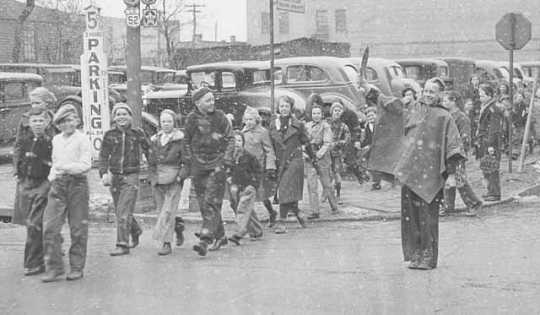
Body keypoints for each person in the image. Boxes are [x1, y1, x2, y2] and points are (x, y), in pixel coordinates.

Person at [364, 79, 465, 270]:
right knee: (410, 216)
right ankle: (415, 253)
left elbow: (454, 146)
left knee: (428, 218)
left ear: (439, 94)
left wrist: (452, 175)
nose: (427, 94)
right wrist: (372, 92)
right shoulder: (412, 109)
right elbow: (392, 106)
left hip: (431, 176)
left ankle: (428, 256)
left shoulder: (445, 117)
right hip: (410, 173)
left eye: (432, 92)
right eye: (425, 90)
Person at [41, 104, 92, 282]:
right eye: (63, 121)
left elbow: (86, 165)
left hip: (77, 185)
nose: (67, 124)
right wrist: (52, 177)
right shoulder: (56, 140)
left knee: (78, 228)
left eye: (71, 120)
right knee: (50, 227)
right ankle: (54, 267)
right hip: (58, 185)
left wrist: (65, 168)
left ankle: (77, 267)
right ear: (58, 124)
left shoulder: (82, 139)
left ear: (77, 121)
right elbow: (55, 163)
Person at [183, 87, 235, 256]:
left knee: (211, 201)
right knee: (203, 203)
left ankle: (205, 239)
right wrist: (190, 161)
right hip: (198, 166)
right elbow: (186, 142)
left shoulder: (220, 117)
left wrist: (226, 159)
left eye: (213, 99)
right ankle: (220, 235)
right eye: (208, 100)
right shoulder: (191, 119)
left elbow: (230, 138)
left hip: (217, 164)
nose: (212, 103)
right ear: (197, 103)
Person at [99, 103, 152, 256]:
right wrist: (103, 173)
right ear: (114, 118)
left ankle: (122, 244)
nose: (121, 117)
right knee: (120, 211)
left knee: (123, 211)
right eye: (118, 114)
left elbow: (149, 151)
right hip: (115, 177)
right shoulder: (109, 135)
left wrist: (152, 169)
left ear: (130, 117)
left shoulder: (137, 134)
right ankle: (135, 230)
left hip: (131, 176)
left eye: (124, 114)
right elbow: (103, 156)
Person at [12, 108, 53, 276]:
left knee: (35, 224)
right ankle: (39, 260)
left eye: (41, 121)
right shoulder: (24, 140)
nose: (37, 124)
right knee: (31, 224)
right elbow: (17, 157)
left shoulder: (50, 142)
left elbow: (53, 163)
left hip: (42, 184)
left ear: (47, 123)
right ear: (29, 123)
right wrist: (18, 174)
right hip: (25, 185)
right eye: (34, 121)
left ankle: (32, 263)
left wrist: (47, 183)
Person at [269, 95, 312, 234]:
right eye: (281, 106)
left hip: (294, 159)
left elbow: (306, 142)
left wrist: (313, 157)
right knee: (288, 190)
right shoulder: (272, 124)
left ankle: (281, 222)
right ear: (278, 108)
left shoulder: (298, 124)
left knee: (284, 189)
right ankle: (298, 213)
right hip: (280, 161)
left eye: (286, 106)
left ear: (291, 108)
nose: (284, 109)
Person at [149, 110, 189, 256]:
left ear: (174, 123)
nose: (166, 124)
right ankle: (178, 226)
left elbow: (186, 161)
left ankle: (166, 243)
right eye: (163, 121)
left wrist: (180, 177)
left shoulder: (180, 140)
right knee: (162, 211)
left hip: (173, 178)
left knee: (168, 211)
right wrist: (152, 178)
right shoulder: (155, 140)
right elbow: (151, 161)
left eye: (169, 121)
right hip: (158, 179)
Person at [441, 91, 482, 216]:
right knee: (447, 178)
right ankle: (448, 205)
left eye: (446, 100)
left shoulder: (462, 118)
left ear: (454, 101)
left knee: (460, 180)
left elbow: (465, 137)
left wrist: (460, 152)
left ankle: (474, 203)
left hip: (457, 153)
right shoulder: (447, 115)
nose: (444, 103)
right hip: (447, 152)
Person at [241, 107, 278, 227]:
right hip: (246, 169)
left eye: (251, 119)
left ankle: (271, 212)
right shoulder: (243, 132)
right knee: (247, 194)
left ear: (257, 119)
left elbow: (269, 150)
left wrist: (270, 166)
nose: (249, 122)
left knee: (261, 194)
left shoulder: (262, 132)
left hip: (259, 168)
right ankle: (249, 221)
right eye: (246, 120)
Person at [227, 131, 263, 245]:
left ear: (243, 142)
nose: (237, 143)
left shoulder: (249, 157)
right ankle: (256, 231)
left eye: (239, 141)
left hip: (248, 186)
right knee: (244, 208)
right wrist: (228, 176)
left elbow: (258, 171)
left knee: (242, 208)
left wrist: (253, 184)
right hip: (235, 187)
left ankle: (239, 233)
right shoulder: (229, 157)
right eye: (234, 141)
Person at [305, 105, 338, 219]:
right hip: (310, 157)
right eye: (314, 113)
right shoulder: (307, 126)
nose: (316, 116)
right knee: (311, 185)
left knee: (326, 184)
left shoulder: (325, 126)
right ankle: (315, 211)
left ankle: (334, 205)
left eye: (318, 113)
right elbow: (303, 141)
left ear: (322, 114)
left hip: (322, 157)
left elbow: (327, 143)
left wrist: (318, 154)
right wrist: (306, 153)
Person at [476, 85, 504, 201]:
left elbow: (494, 128)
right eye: (479, 95)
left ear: (489, 95)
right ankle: (490, 190)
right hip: (484, 140)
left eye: (482, 95)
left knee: (491, 167)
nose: (480, 98)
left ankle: (494, 192)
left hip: (489, 141)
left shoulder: (493, 109)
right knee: (486, 166)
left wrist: (490, 144)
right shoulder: (486, 106)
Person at [327, 100, 351, 204]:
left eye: (339, 110)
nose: (337, 112)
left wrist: (337, 143)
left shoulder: (344, 126)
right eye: (335, 110)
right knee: (326, 174)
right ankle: (326, 193)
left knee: (337, 174)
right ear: (332, 111)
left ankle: (338, 195)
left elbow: (347, 140)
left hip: (337, 153)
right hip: (325, 153)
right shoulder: (326, 123)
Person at [361, 107, 382, 190]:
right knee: (370, 166)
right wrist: (362, 145)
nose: (371, 118)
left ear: (376, 115)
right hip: (370, 148)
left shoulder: (379, 125)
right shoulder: (367, 127)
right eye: (369, 116)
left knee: (377, 166)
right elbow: (366, 139)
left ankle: (377, 183)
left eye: (372, 115)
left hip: (378, 148)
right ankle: (374, 181)